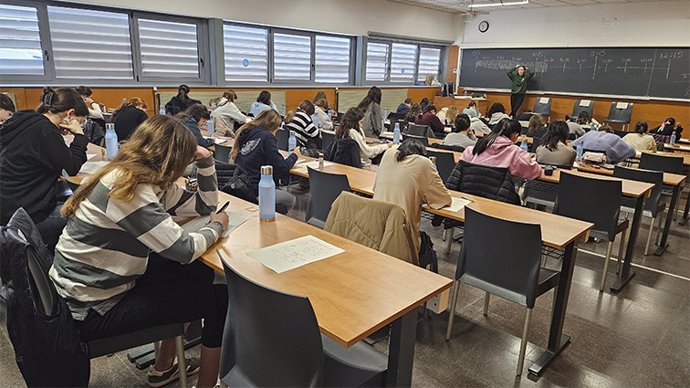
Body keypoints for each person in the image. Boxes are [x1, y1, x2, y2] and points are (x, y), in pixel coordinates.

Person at [50, 115, 228, 388]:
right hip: (91, 309)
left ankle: (163, 367)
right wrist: (217, 227)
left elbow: (204, 206)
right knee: (219, 299)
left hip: (88, 289)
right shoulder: (130, 189)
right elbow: (184, 248)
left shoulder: (135, 178)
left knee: (196, 273)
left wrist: (205, 160)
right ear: (174, 158)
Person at [0, 88, 89, 250]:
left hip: (9, 209)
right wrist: (80, 137)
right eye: (80, 122)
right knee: (89, 216)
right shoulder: (45, 130)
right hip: (28, 217)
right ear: (70, 113)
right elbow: (71, 168)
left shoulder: (27, 120)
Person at [373, 139, 452, 255]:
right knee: (428, 247)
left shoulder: (388, 155)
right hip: (401, 237)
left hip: (373, 230)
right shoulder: (424, 163)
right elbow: (444, 199)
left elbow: (374, 189)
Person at [231, 110, 300, 213]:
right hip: (256, 190)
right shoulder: (267, 137)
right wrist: (294, 155)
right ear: (274, 126)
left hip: (240, 186)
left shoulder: (247, 132)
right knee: (292, 200)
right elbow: (282, 168)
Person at [462, 118, 542, 180]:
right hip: (497, 195)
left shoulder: (476, 147)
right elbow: (535, 171)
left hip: (470, 190)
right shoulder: (516, 153)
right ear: (515, 136)